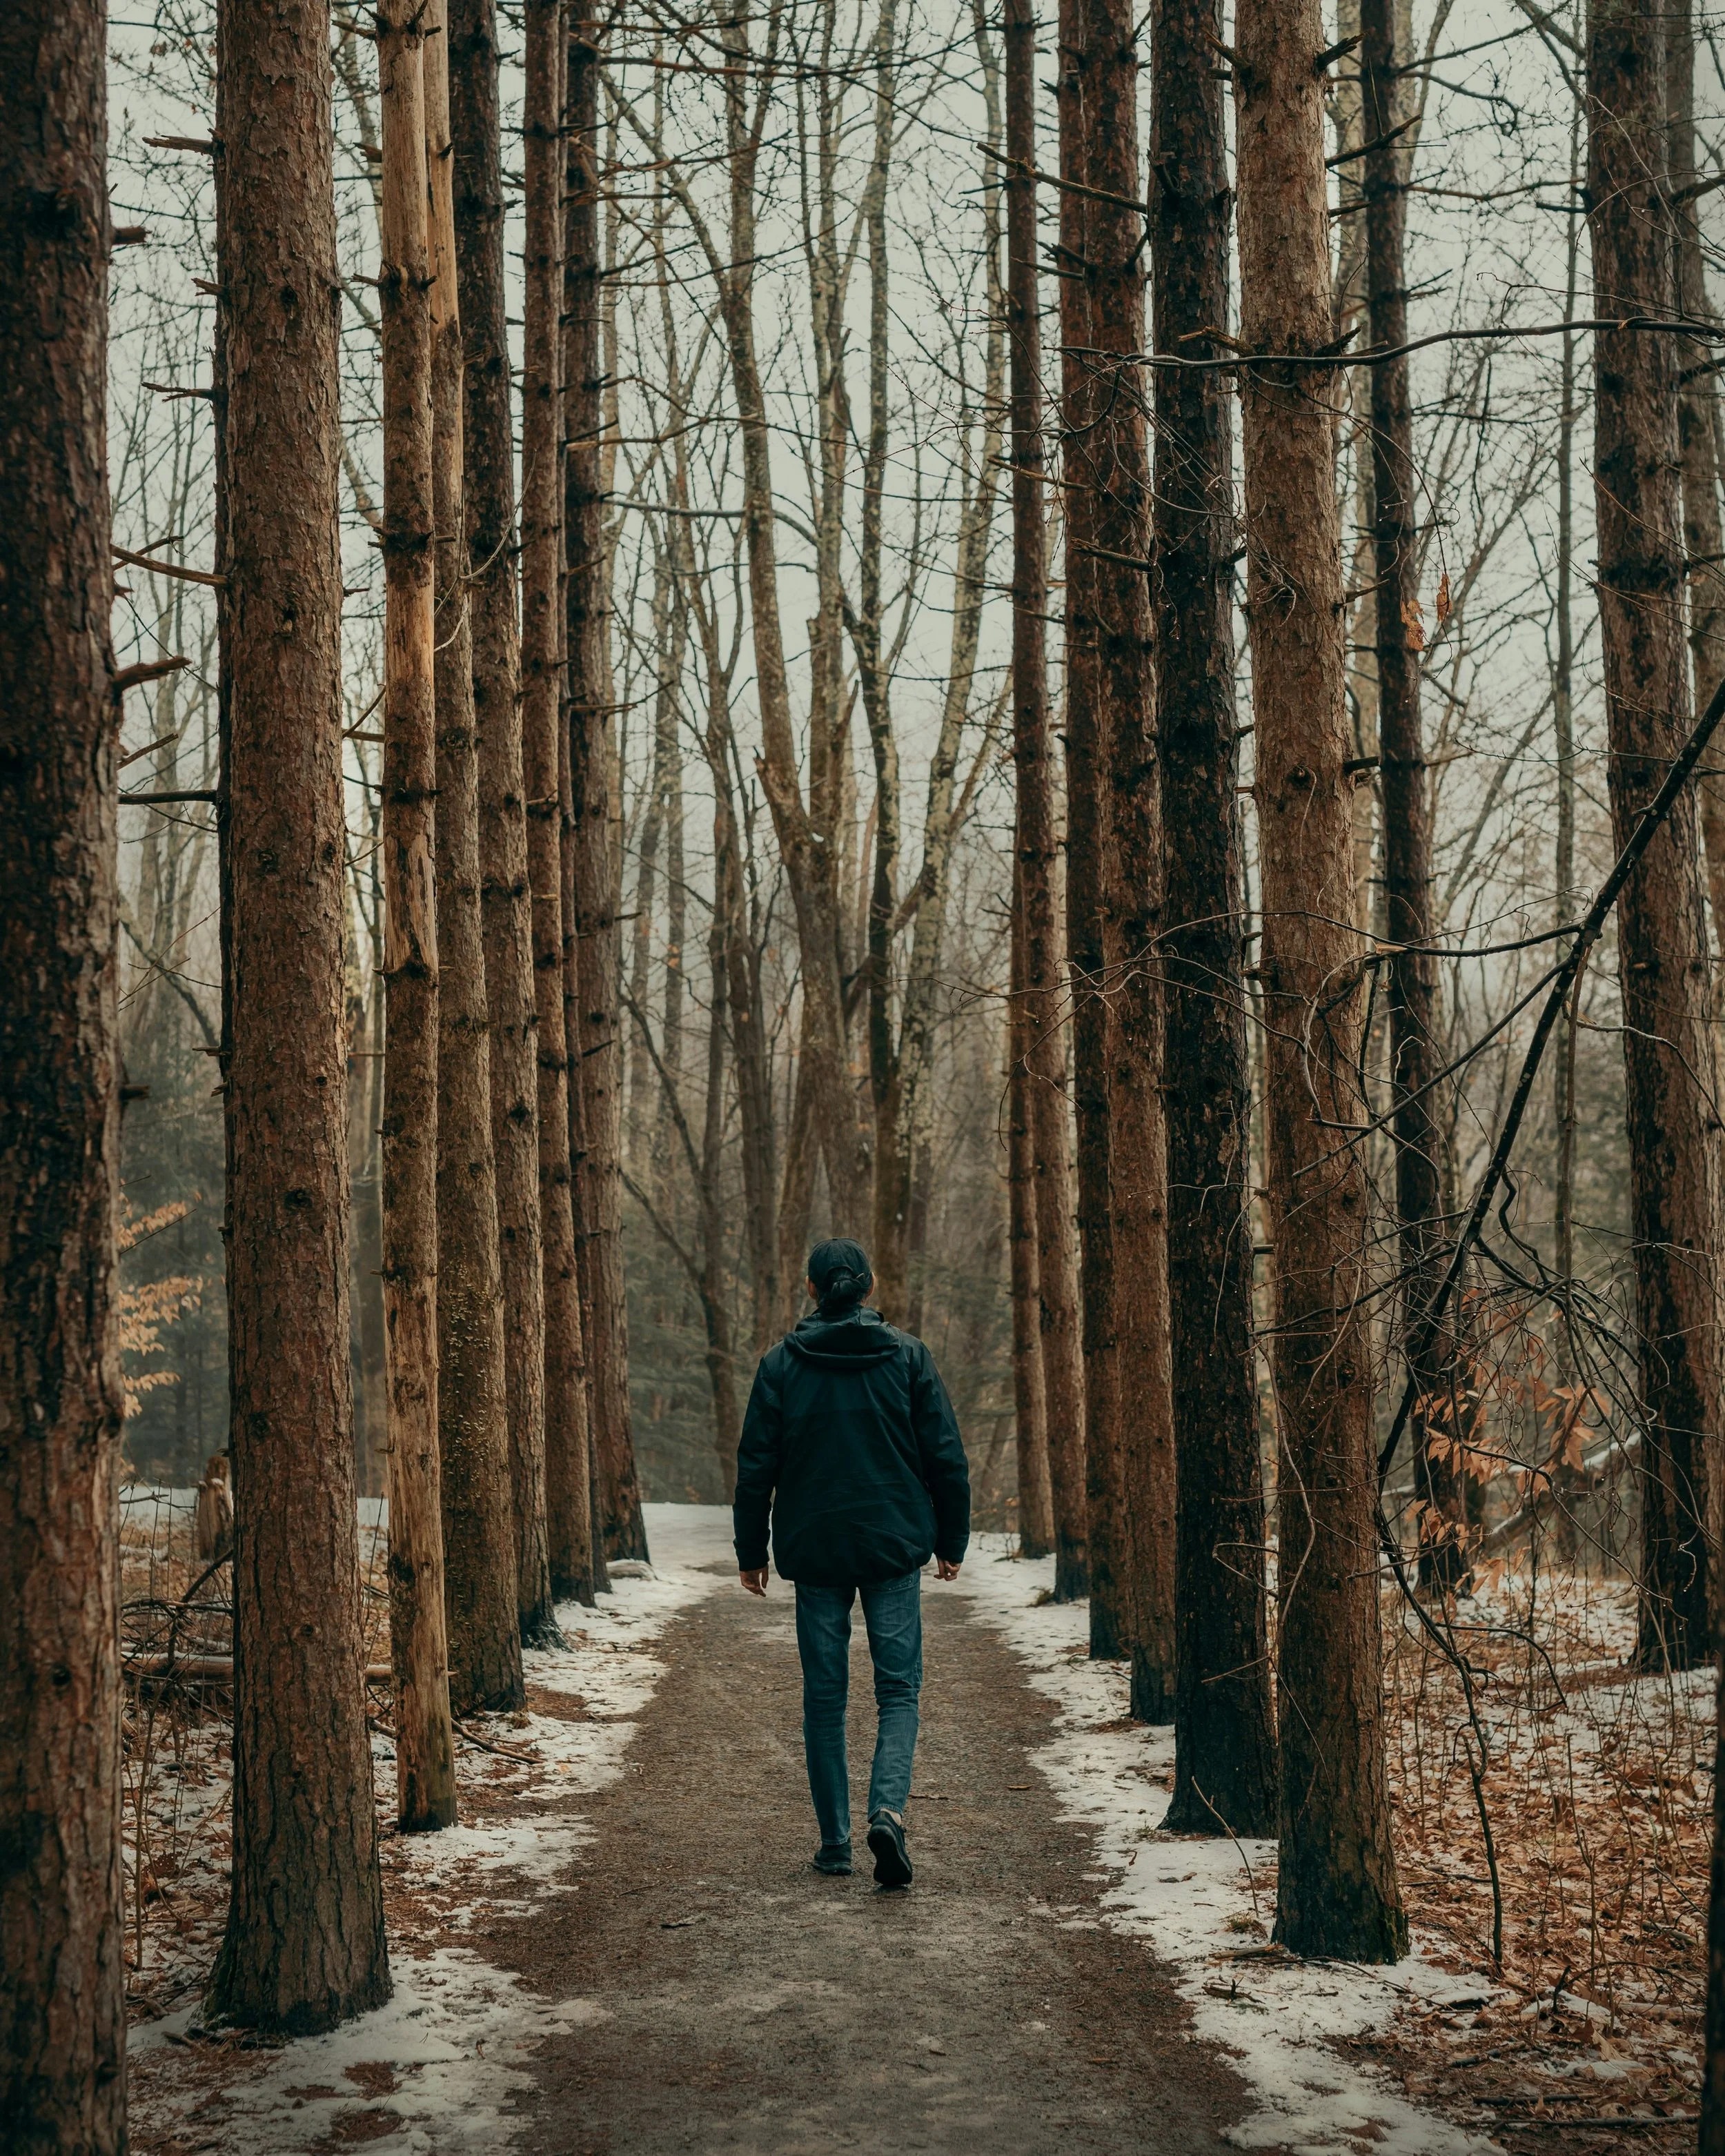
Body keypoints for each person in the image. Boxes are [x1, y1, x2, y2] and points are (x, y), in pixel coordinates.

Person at [733, 1236, 970, 1888]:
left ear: (812, 1289)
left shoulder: (781, 1364)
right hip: (893, 1545)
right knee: (898, 1689)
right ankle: (886, 1811)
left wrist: (751, 1550)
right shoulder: (908, 1357)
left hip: (816, 1550)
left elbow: (756, 1468)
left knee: (824, 1696)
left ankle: (835, 1842)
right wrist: (953, 1539)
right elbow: (945, 1456)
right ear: (868, 1287)